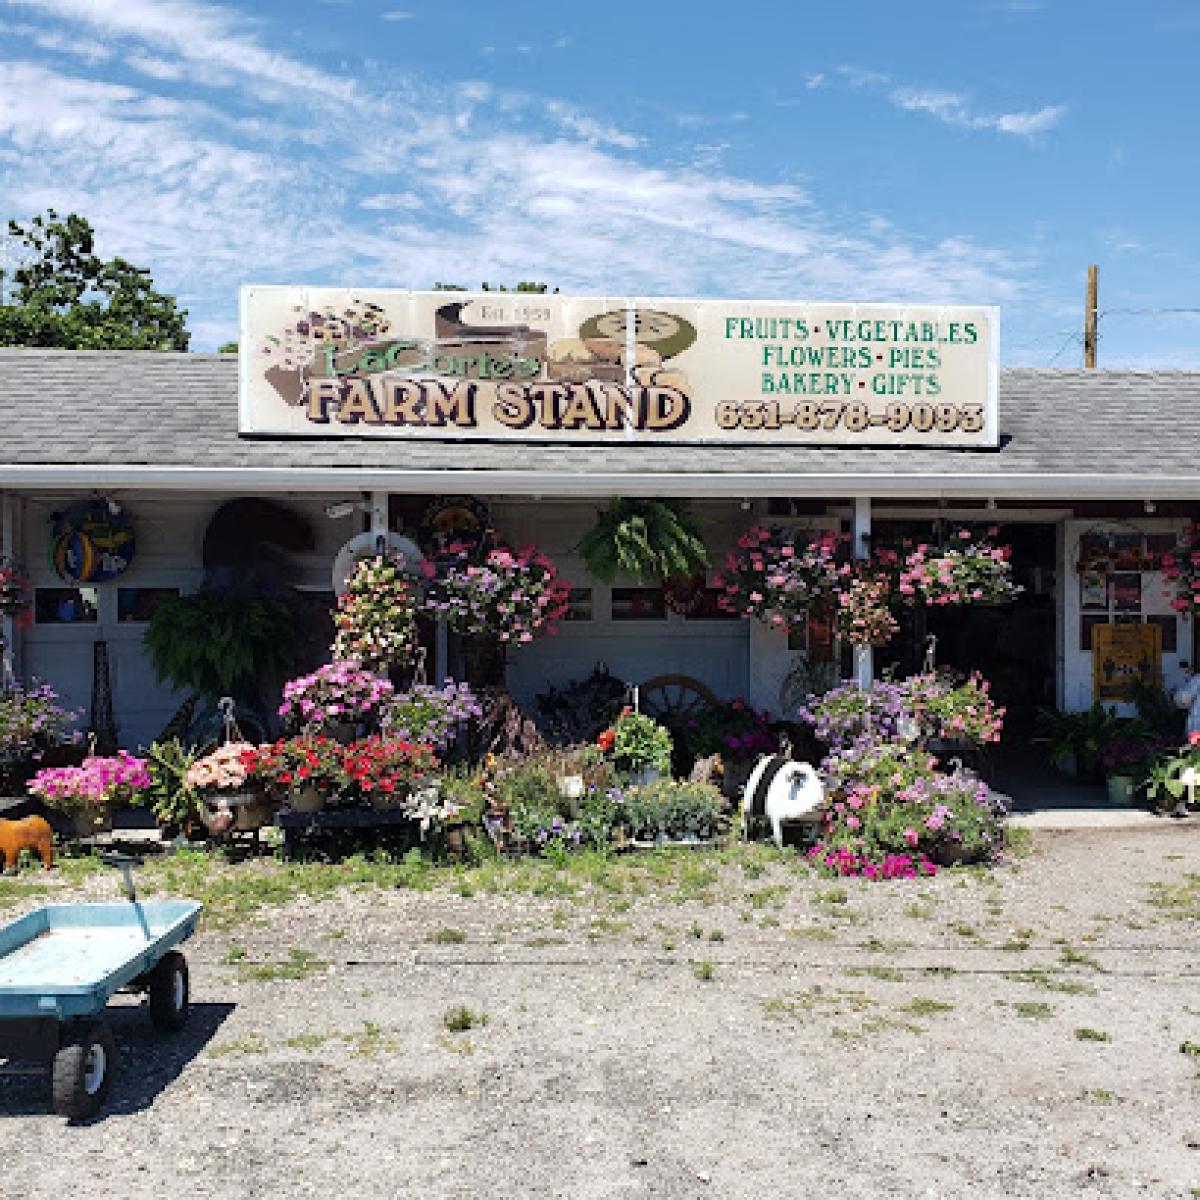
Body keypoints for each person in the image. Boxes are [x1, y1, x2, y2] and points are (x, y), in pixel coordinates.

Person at [1175, 668, 1200, 739]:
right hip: (1196, 728)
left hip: (1197, 726)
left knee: (1195, 748)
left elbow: (1183, 700)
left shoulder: (1197, 680)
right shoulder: (1197, 680)